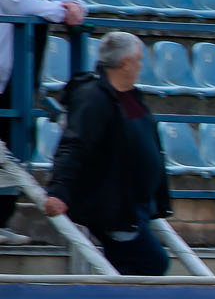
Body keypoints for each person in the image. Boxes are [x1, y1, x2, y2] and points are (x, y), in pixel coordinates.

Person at [42, 31, 171, 275]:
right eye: (139, 60)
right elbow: (74, 144)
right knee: (150, 263)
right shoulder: (95, 98)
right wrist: (58, 190)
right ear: (125, 64)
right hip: (116, 206)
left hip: (136, 203)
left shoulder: (129, 96)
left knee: (142, 263)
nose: (141, 66)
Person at [0, 0, 87, 244]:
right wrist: (59, 11)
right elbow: (14, 2)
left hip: (22, 72)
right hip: (5, 67)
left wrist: (73, 8)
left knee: (17, 144)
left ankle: (1, 219)